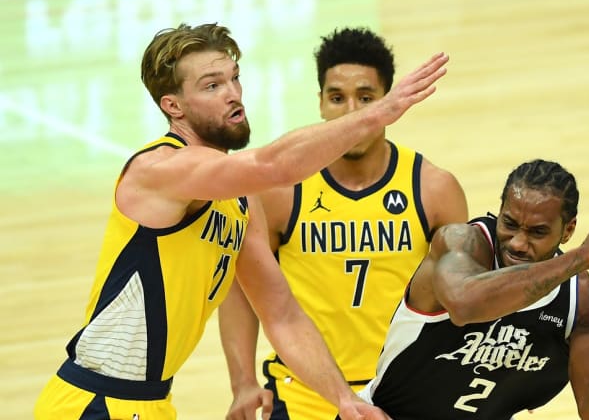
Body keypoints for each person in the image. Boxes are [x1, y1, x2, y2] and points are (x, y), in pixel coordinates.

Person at [33, 22, 450, 420]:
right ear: (173, 106)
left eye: (234, 79)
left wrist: (345, 400)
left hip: (150, 401)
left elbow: (282, 315)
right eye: (212, 86)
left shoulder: (239, 197)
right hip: (96, 400)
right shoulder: (160, 169)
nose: (233, 94)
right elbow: (275, 166)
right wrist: (376, 113)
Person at [218, 27, 469, 420]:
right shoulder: (282, 192)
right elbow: (240, 288)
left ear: (389, 102)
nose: (353, 112)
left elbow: (463, 300)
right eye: (337, 97)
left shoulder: (434, 190)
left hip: (402, 391)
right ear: (320, 102)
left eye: (366, 98)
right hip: (302, 393)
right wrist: (243, 382)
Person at [356, 159, 589, 419]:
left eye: (537, 232)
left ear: (568, 230)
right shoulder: (462, 243)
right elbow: (466, 304)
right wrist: (579, 258)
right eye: (509, 223)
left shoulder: (584, 302)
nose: (517, 242)